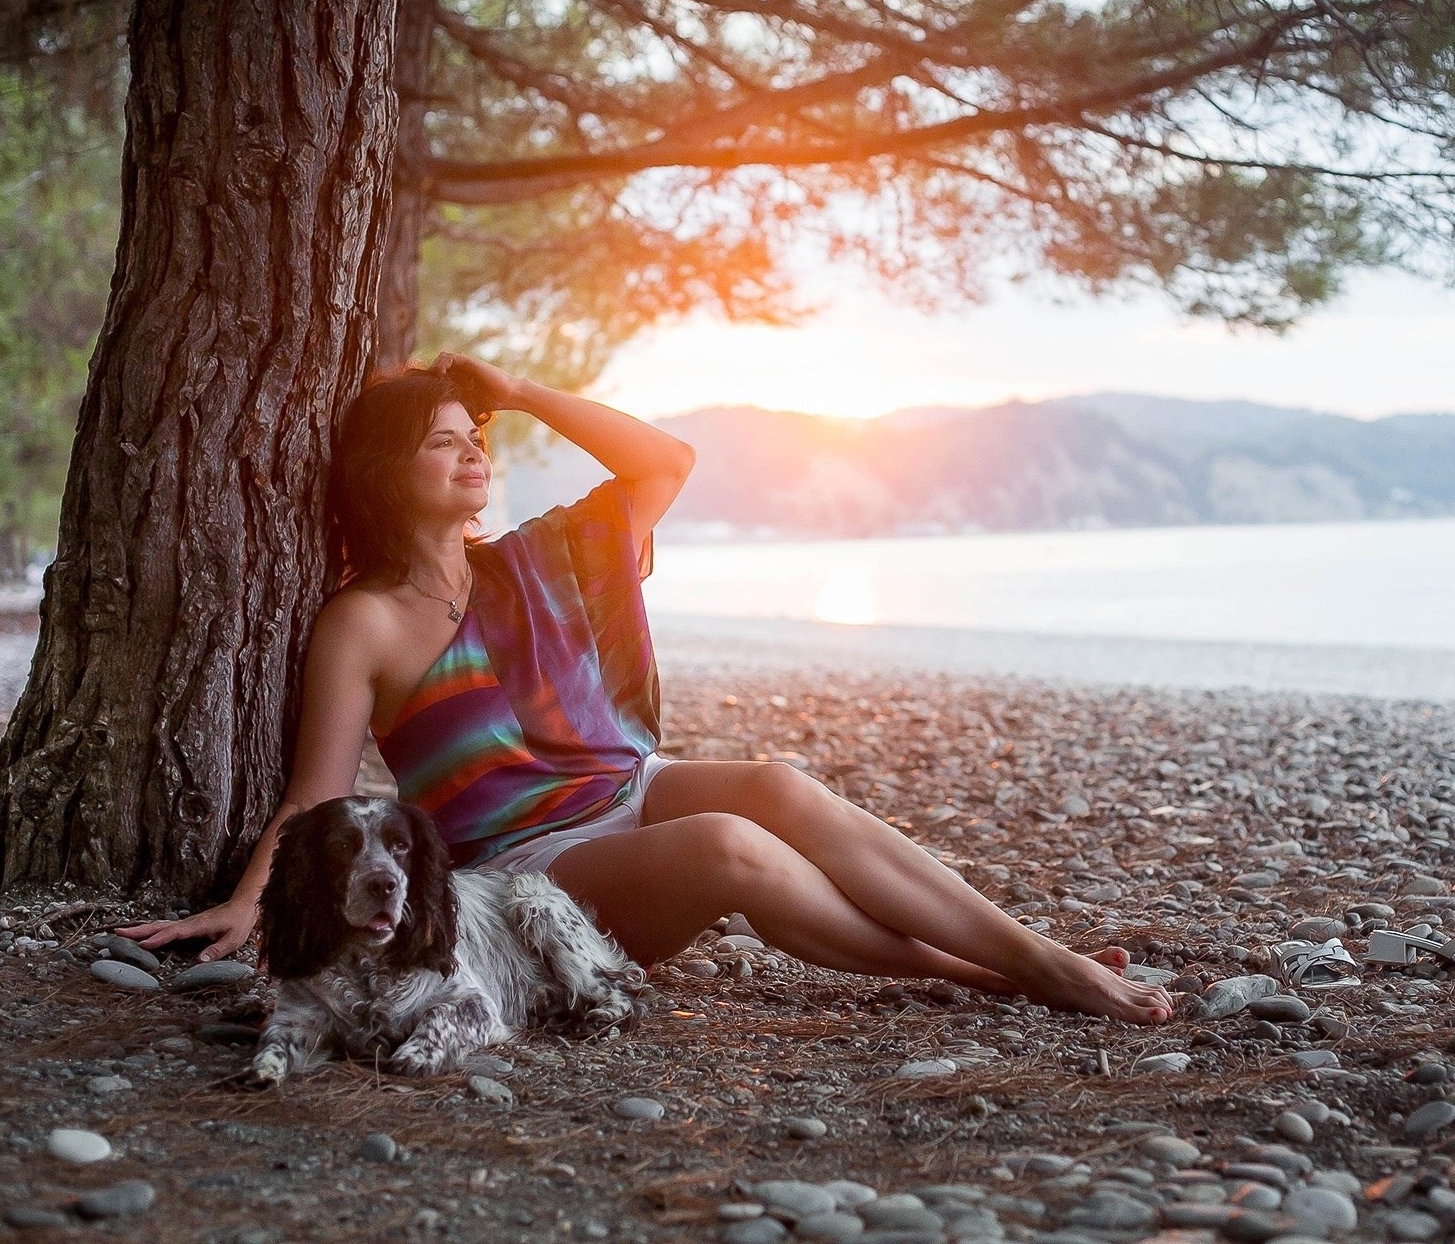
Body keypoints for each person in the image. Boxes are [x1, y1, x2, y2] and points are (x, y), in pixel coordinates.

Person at [122, 353, 1174, 1024]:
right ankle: (1007, 972)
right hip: (532, 866)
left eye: (474, 437)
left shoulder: (537, 561)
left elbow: (663, 462)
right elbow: (319, 799)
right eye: (440, 442)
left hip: (624, 784)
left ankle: (1029, 955)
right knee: (727, 847)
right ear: (381, 472)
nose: (472, 453)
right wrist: (243, 902)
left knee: (778, 783)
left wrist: (519, 391)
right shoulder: (363, 620)